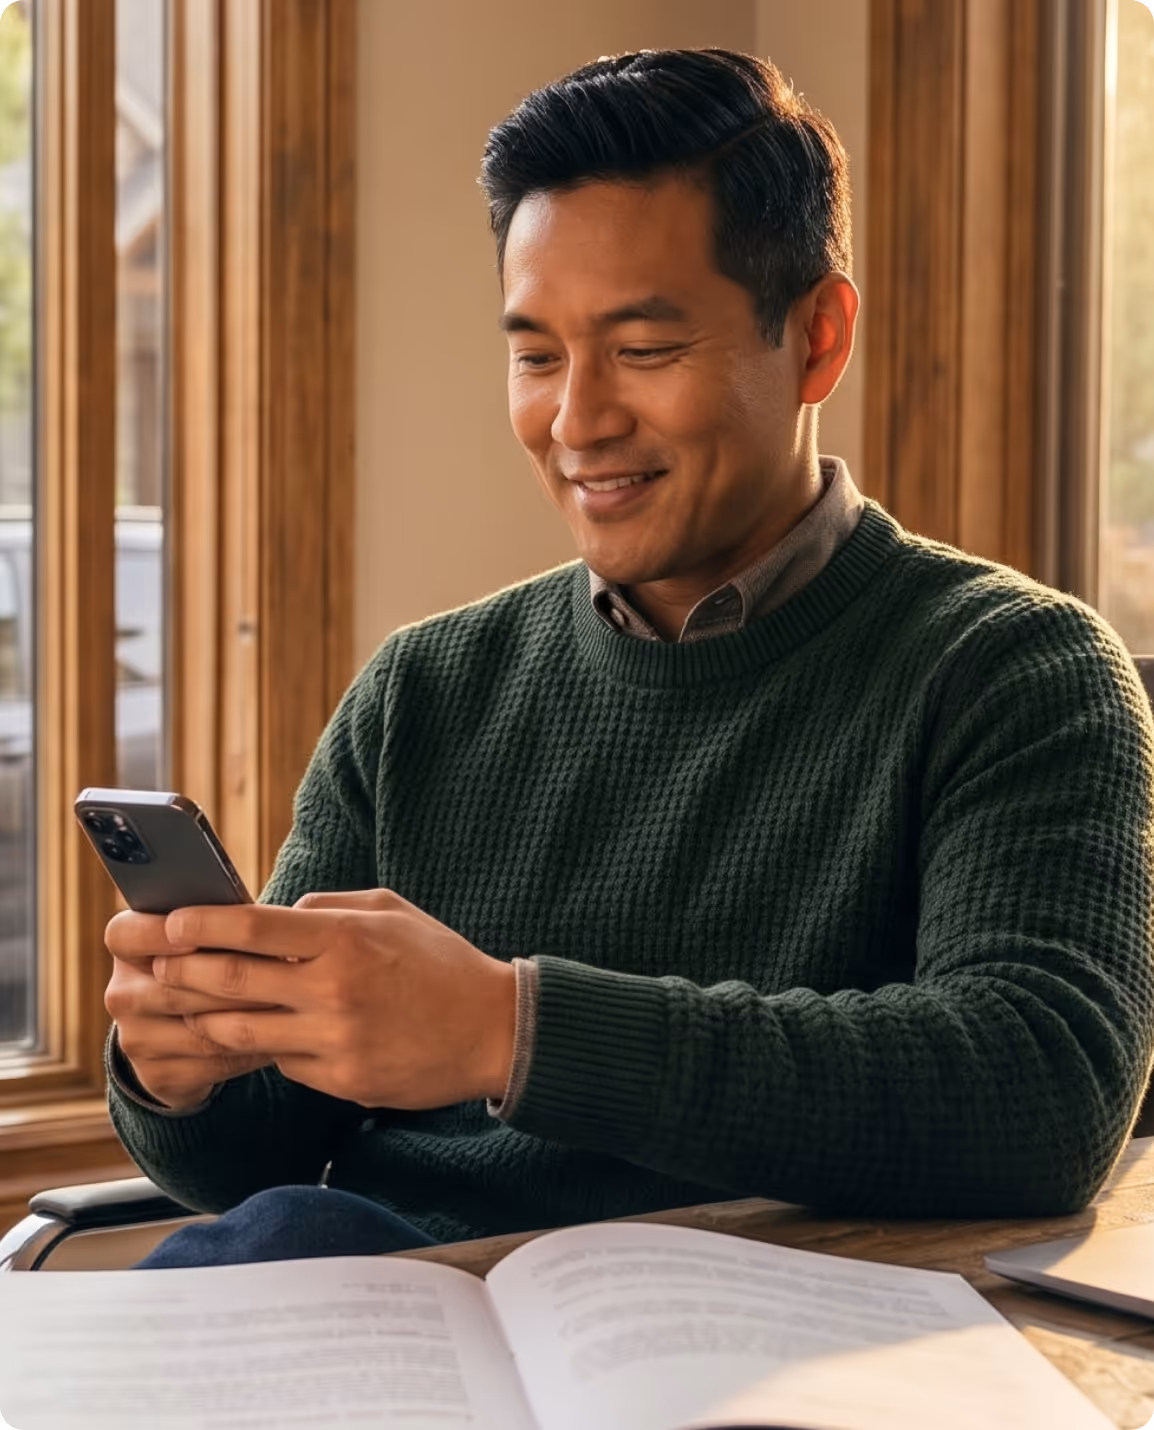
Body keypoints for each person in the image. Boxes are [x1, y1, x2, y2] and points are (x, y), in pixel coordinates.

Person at [105, 48, 1154, 1269]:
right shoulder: (421, 692)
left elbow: (1040, 1089)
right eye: (537, 355)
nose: (576, 420)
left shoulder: (1014, 669)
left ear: (814, 336)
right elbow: (260, 1148)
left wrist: (511, 1027)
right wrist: (179, 1071)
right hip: (411, 1319)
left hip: (774, 1339)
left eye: (641, 350)